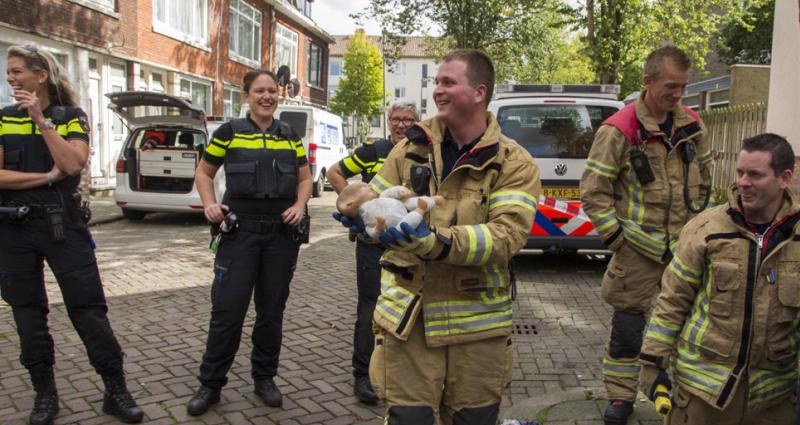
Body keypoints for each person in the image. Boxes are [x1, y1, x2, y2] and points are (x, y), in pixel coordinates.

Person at [342, 48, 541, 424]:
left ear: (479, 92)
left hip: (477, 332)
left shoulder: (513, 162)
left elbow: (506, 236)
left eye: (448, 82)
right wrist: (363, 221)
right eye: (436, 82)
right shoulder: (408, 149)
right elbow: (379, 206)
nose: (437, 91)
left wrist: (436, 242)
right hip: (409, 324)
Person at [639, 133, 800, 425]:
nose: (743, 182)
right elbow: (672, 301)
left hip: (773, 398)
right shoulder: (705, 228)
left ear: (785, 177)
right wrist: (653, 362)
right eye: (740, 172)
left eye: (755, 174)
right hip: (703, 394)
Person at [0, 44, 144, 424]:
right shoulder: (1, 119)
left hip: (63, 227)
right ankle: (45, 396)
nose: (10, 77)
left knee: (89, 312)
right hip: (14, 231)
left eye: (17, 71)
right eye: (9, 71)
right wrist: (45, 177)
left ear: (40, 75)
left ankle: (116, 390)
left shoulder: (70, 117)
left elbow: (72, 162)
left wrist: (40, 120)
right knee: (28, 317)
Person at [579, 45, 712, 425]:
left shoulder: (692, 126)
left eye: (683, 87)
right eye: (671, 86)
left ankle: (673, 388)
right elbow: (593, 191)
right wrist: (617, 241)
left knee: (686, 324)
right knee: (628, 327)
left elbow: (705, 179)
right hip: (637, 250)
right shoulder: (619, 130)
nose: (678, 95)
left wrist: (699, 229)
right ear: (648, 81)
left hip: (685, 249)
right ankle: (621, 398)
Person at [187, 69, 312, 416]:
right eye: (259, 91)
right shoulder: (228, 132)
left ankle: (264, 378)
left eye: (272, 90)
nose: (266, 96)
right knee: (227, 312)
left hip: (279, 238)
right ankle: (210, 385)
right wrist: (210, 204)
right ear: (247, 96)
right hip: (239, 235)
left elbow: (305, 178)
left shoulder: (289, 135)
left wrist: (300, 205)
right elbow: (204, 172)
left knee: (271, 312)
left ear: (279, 95)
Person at [326, 100, 419, 404]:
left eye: (407, 119)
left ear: (416, 121)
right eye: (396, 119)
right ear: (388, 121)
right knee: (369, 308)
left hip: (408, 245)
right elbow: (334, 171)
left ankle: (399, 372)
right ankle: (362, 375)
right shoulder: (372, 151)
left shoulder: (423, 153)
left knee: (408, 306)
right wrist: (353, 207)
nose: (401, 124)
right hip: (371, 244)